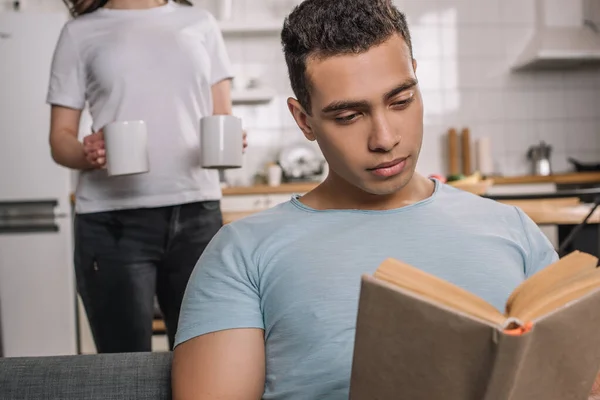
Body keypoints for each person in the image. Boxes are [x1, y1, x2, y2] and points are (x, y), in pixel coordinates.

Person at [171, 0, 597, 399]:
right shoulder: (242, 252)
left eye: (401, 101)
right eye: (348, 116)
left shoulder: (513, 229)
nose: (385, 139)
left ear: (416, 77)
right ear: (304, 120)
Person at [47, 0, 245, 353]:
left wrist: (230, 141)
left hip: (196, 215)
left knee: (203, 356)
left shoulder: (200, 23)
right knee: (124, 365)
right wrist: (88, 153)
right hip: (111, 223)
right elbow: (60, 140)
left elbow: (222, 115)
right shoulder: (79, 32)